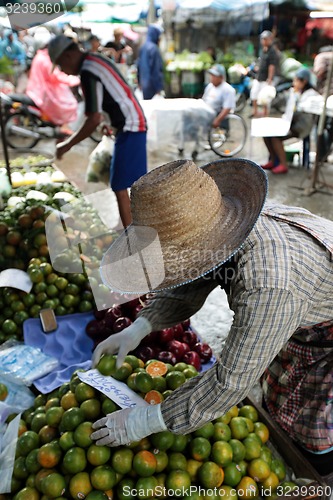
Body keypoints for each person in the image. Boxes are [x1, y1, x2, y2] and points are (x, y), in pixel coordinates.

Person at [90, 158, 333, 475]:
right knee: (279, 390)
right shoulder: (226, 228)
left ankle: (318, 467)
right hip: (303, 298)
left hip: (320, 323)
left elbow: (230, 382)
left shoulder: (270, 284)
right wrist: (141, 326)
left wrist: (149, 420)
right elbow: (193, 282)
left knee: (313, 425)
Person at [48, 35, 147, 229]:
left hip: (131, 125)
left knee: (121, 185)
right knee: (130, 183)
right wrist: (108, 120)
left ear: (68, 56)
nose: (63, 71)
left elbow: (93, 118)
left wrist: (66, 145)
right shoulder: (94, 60)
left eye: (60, 65)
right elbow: (109, 98)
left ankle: (133, 237)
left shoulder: (87, 70)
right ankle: (132, 227)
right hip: (129, 122)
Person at [260, 67, 318, 174]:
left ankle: (283, 164)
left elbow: (302, 109)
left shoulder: (311, 94)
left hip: (301, 127)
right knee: (266, 133)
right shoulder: (294, 92)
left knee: (275, 137)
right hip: (291, 123)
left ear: (304, 81)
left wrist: (295, 98)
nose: (294, 82)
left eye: (296, 80)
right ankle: (273, 160)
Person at [26, 35, 80, 135]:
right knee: (69, 103)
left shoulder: (40, 56)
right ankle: (63, 126)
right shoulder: (45, 59)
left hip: (37, 89)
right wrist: (71, 80)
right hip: (43, 91)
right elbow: (55, 75)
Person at [250, 30, 280, 117]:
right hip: (259, 77)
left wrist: (269, 78)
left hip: (266, 78)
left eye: (265, 39)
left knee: (265, 97)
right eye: (262, 39)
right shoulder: (263, 50)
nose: (263, 41)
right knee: (254, 94)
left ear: (270, 39)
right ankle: (254, 111)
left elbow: (272, 66)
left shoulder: (272, 52)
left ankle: (265, 114)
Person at [202, 64, 236, 128]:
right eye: (211, 75)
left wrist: (217, 120)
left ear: (221, 77)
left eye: (214, 76)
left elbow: (227, 108)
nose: (212, 78)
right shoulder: (210, 86)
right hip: (207, 114)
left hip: (218, 116)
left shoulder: (228, 89)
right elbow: (204, 100)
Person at [137, 24, 164, 100]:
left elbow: (138, 66)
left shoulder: (143, 47)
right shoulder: (154, 49)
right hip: (152, 85)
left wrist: (139, 82)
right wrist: (158, 87)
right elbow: (156, 69)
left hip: (144, 84)